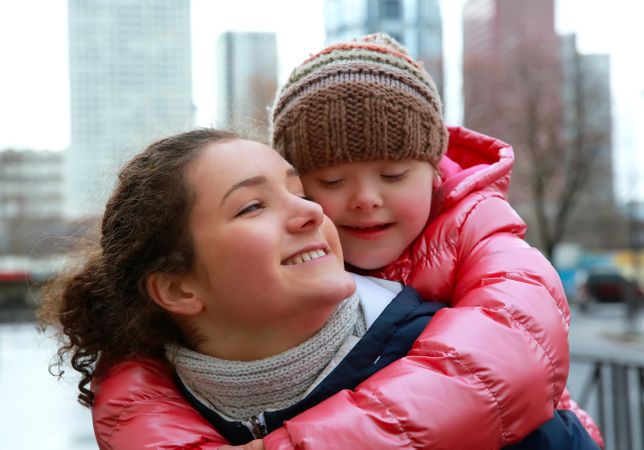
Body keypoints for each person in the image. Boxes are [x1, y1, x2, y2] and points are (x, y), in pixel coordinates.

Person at [39, 129, 600, 450]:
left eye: (299, 190)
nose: (310, 211)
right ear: (177, 289)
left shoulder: (480, 394)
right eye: (253, 205)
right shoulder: (161, 416)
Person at [269, 33, 603, 448]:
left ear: (435, 174)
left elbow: (511, 353)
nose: (366, 200)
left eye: (393, 176)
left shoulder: (481, 234)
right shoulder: (280, 254)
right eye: (333, 181)